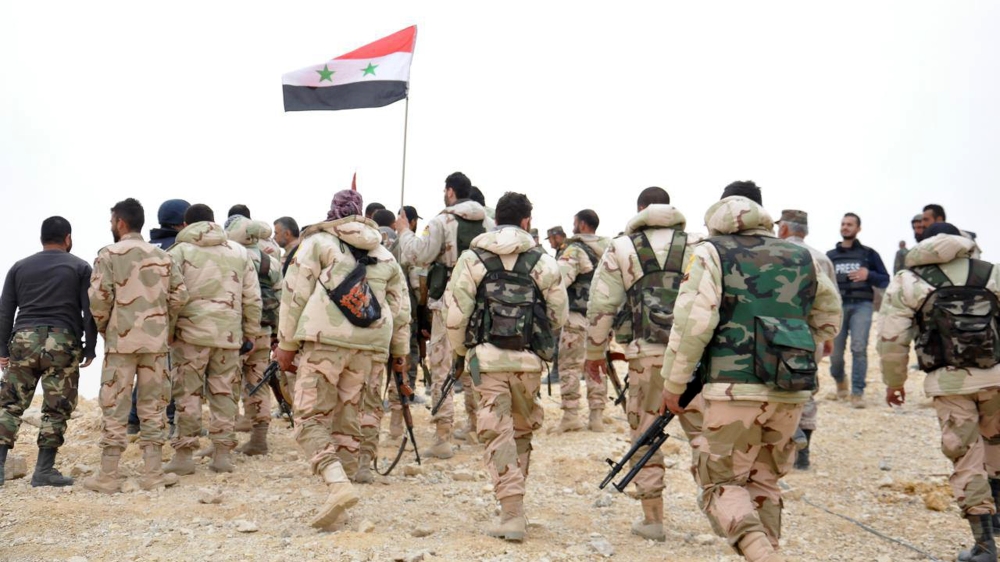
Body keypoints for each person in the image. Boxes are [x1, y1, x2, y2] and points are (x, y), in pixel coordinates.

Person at [661, 182, 841, 562]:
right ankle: (767, 550)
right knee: (764, 481)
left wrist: (674, 384)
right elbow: (828, 319)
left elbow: (694, 324)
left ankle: (763, 554)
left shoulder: (711, 252)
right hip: (789, 389)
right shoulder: (800, 255)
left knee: (720, 483)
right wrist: (792, 352)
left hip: (732, 390)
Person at [275, 189, 410, 528]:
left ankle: (337, 485)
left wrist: (286, 344)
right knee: (350, 421)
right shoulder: (385, 253)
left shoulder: (318, 243)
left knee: (308, 417)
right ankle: (343, 500)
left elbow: (294, 295)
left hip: (326, 341)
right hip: (372, 347)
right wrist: (400, 355)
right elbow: (402, 310)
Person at [445, 191, 568, 542]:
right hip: (528, 362)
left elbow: (456, 315)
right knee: (521, 430)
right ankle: (513, 506)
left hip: (487, 360)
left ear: (495, 220)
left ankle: (511, 510)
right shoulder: (542, 261)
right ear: (527, 221)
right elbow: (558, 313)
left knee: (496, 431)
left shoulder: (473, 258)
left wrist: (463, 353)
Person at [878, 222, 1000, 562]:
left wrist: (895, 382)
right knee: (997, 447)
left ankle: (984, 546)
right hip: (996, 376)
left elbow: (892, 339)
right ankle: (997, 517)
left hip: (949, 383)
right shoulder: (991, 272)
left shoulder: (910, 281)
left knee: (966, 457)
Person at [585, 186, 697, 541]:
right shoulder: (699, 245)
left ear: (640, 209)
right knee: (708, 436)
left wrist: (594, 354)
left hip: (646, 356)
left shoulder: (621, 246)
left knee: (646, 434)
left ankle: (653, 520)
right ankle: (727, 510)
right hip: (696, 359)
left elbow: (602, 305)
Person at [82, 198, 188, 493]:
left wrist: (107, 329)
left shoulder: (109, 254)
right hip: (155, 344)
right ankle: (153, 473)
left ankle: (108, 476)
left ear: (120, 223)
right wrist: (165, 327)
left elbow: (99, 299)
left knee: (115, 406)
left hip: (121, 343)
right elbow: (179, 296)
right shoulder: (163, 255)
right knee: (153, 407)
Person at [394, 171, 494, 458]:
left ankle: (442, 436)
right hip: (481, 301)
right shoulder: (489, 223)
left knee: (441, 367)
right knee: (478, 366)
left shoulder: (442, 221)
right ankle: (480, 426)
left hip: (448, 302)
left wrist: (404, 231)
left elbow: (418, 255)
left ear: (450, 191)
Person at [163, 204, 262, 476]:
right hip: (229, 336)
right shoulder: (239, 252)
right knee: (223, 395)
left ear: (186, 224)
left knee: (187, 395)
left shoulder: (179, 252)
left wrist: (169, 331)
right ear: (214, 222)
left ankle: (184, 455)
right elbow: (252, 297)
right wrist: (250, 332)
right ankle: (222, 455)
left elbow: (172, 296)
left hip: (190, 335)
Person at [0, 216, 98, 487]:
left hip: (24, 339)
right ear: (67, 237)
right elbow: (88, 311)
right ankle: (43, 471)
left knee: (9, 404)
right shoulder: (79, 266)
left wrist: (1, 349)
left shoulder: (19, 267)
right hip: (63, 340)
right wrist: (90, 346)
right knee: (56, 408)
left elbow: (6, 310)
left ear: (42, 238)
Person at [775, 210, 839, 470]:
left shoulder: (775, 252)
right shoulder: (822, 258)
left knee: (777, 386)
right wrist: (828, 335)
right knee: (807, 386)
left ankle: (781, 445)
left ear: (784, 229)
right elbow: (833, 301)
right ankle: (804, 454)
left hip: (777, 331)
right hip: (810, 334)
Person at [129, 198, 190, 438]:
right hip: (165, 321)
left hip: (134, 320)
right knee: (171, 371)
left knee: (143, 370)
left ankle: (133, 420)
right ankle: (174, 419)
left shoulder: (147, 245)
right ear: (183, 222)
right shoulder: (179, 247)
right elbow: (181, 290)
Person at [224, 216, 282, 456]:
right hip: (263, 331)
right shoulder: (271, 261)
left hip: (235, 332)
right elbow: (280, 299)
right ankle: (259, 439)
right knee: (259, 382)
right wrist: (277, 334)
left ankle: (223, 442)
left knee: (225, 384)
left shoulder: (231, 257)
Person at [551, 209, 611, 433]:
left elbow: (559, 280)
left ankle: (571, 415)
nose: (573, 227)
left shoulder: (574, 250)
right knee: (597, 365)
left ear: (583, 225)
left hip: (576, 316)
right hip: (601, 319)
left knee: (569, 366)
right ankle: (596, 417)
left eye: (575, 223)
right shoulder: (609, 249)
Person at [826, 212, 890, 407]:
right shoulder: (830, 256)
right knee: (835, 353)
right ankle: (839, 380)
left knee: (859, 348)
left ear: (858, 229)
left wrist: (868, 274)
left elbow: (885, 279)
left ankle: (857, 392)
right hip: (838, 307)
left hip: (862, 305)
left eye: (850, 224)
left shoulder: (869, 254)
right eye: (843, 224)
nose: (846, 227)